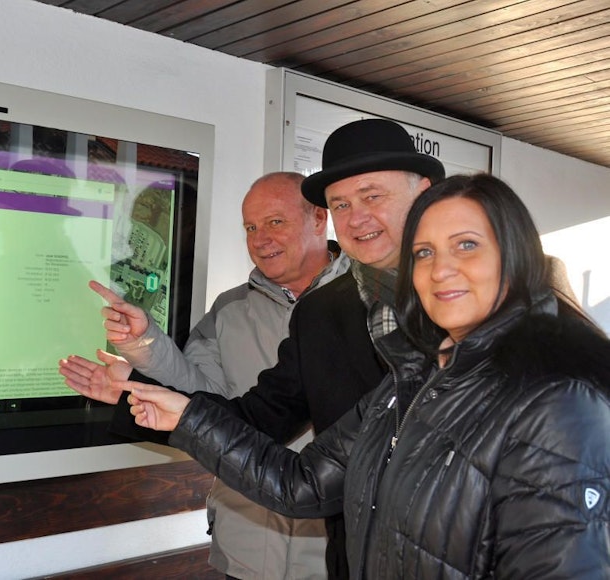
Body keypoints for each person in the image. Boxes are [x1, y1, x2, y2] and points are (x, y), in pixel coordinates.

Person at [121, 173, 610, 578]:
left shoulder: (557, 401)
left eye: (466, 245)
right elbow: (303, 483)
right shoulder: (410, 379)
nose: (441, 270)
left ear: (515, 256)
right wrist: (186, 416)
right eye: (424, 253)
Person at [61, 117, 444, 578]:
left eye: (372, 196)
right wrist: (140, 391)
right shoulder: (320, 314)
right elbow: (258, 421)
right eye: (341, 203)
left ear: (423, 193)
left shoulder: (478, 299)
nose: (356, 217)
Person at [63, 172, 349, 579]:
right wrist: (143, 346)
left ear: (319, 218)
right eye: (251, 227)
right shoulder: (229, 309)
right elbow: (201, 396)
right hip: (246, 551)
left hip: (333, 558)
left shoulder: (365, 305)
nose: (260, 239)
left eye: (275, 222)